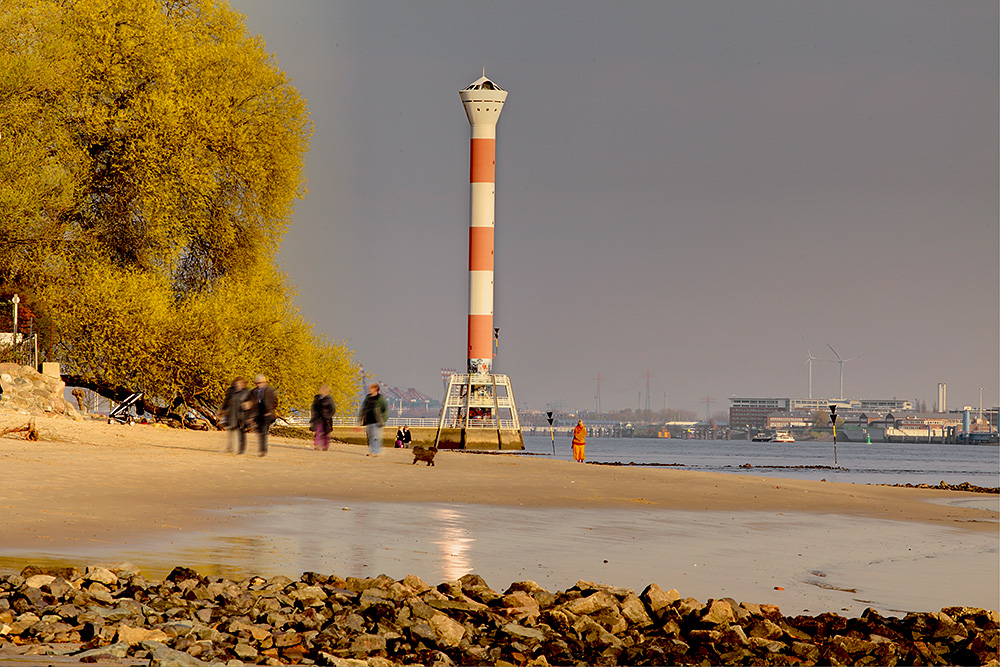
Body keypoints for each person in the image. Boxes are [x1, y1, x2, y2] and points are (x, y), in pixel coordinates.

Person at [218, 377, 249, 454]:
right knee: (230, 431)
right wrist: (221, 410)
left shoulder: (246, 392)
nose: (238, 385)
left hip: (241, 415)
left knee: (241, 431)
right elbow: (226, 401)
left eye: (240, 383)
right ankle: (230, 447)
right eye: (237, 383)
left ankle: (241, 449)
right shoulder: (231, 391)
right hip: (231, 414)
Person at [358, 383, 388, 457]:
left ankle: (376, 451)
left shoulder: (380, 398)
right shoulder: (368, 397)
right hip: (368, 420)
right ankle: (372, 451)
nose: (369, 389)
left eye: (371, 388)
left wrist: (383, 419)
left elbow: (385, 409)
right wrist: (360, 419)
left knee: (376, 437)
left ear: (375, 389)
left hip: (377, 421)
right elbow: (363, 408)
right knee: (370, 437)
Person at [251, 374, 277, 456]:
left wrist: (270, 409)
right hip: (258, 414)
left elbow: (275, 402)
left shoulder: (270, 391)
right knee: (260, 431)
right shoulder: (253, 392)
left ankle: (263, 449)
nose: (259, 385)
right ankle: (262, 448)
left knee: (263, 431)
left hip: (267, 414)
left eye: (261, 383)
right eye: (257, 383)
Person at [310, 385, 336, 451]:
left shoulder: (329, 399)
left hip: (326, 418)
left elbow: (332, 409)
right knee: (318, 431)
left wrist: (327, 415)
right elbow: (314, 407)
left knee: (326, 433)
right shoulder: (317, 398)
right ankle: (317, 444)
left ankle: (325, 446)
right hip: (318, 418)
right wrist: (314, 414)